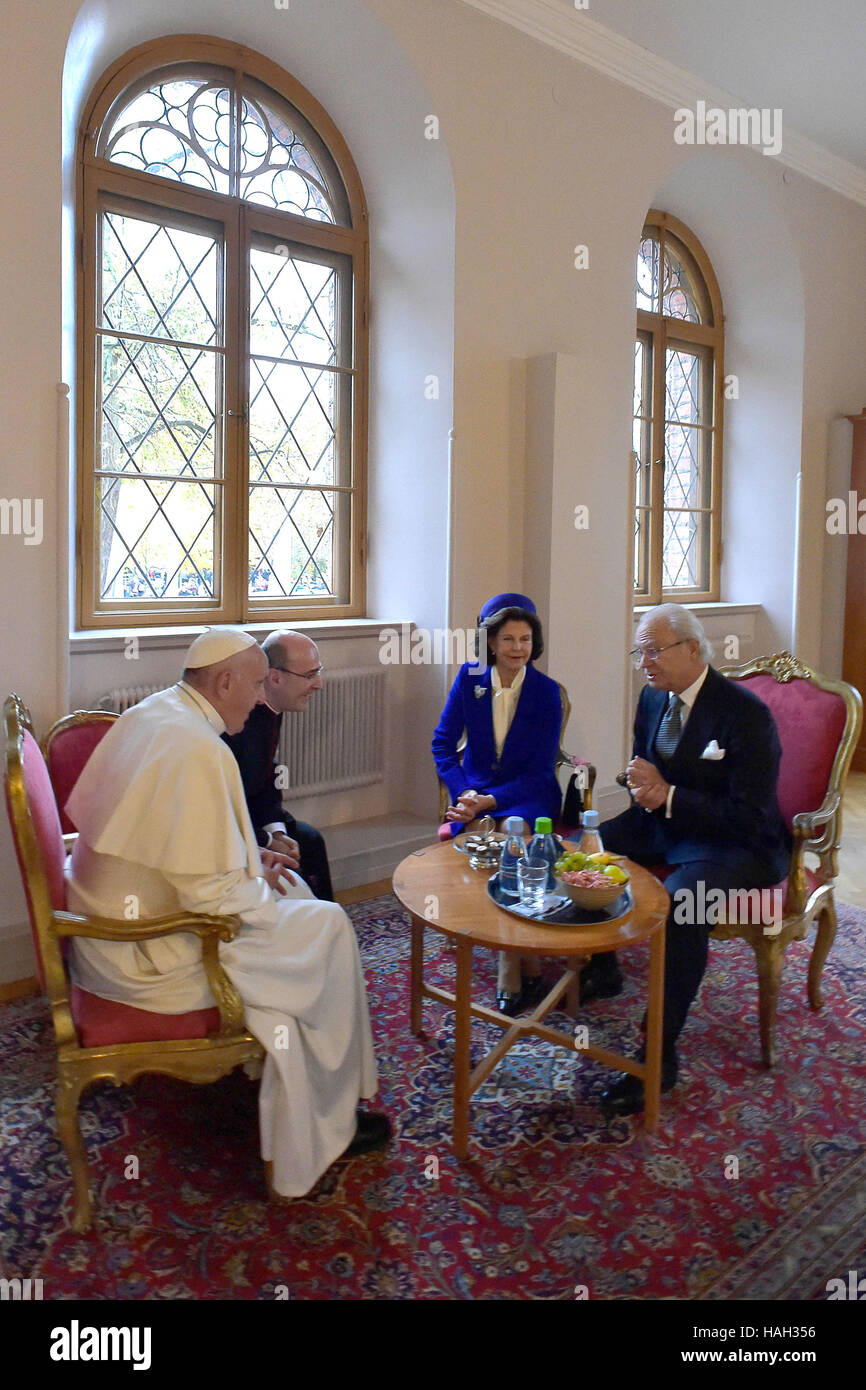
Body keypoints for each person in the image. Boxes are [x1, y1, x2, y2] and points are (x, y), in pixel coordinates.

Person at [64, 627, 389, 1198]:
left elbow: (174, 844)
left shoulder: (157, 713)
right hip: (145, 952)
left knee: (298, 897)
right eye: (259, 683)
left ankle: (322, 1094)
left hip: (116, 923)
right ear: (224, 681)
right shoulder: (198, 747)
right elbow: (213, 900)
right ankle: (332, 1118)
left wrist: (248, 860)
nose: (263, 695)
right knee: (328, 924)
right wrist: (251, 878)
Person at [578, 604, 791, 1116]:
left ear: (692, 650)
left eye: (654, 650)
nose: (645, 662)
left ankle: (659, 1055)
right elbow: (645, 775)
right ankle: (603, 966)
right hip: (666, 824)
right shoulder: (653, 699)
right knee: (590, 851)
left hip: (736, 843)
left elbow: (749, 813)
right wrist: (642, 785)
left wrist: (669, 795)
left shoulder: (745, 713)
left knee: (682, 908)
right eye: (640, 651)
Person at [432, 593, 563, 1015]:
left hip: (529, 794)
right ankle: (524, 953)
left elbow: (542, 770)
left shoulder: (546, 693)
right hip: (475, 794)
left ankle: (510, 958)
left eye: (525, 639)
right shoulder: (468, 680)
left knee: (513, 839)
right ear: (490, 642)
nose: (518, 649)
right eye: (508, 639)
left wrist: (489, 799)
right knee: (479, 838)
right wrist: (464, 792)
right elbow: (442, 746)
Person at [223, 630, 334, 901]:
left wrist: (278, 832)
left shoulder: (272, 710)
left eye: (318, 672)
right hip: (231, 832)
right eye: (309, 675)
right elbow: (227, 804)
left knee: (308, 839)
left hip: (257, 821)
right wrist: (268, 841)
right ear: (275, 677)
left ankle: (321, 918)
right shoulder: (239, 719)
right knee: (304, 847)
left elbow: (266, 779)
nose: (318, 684)